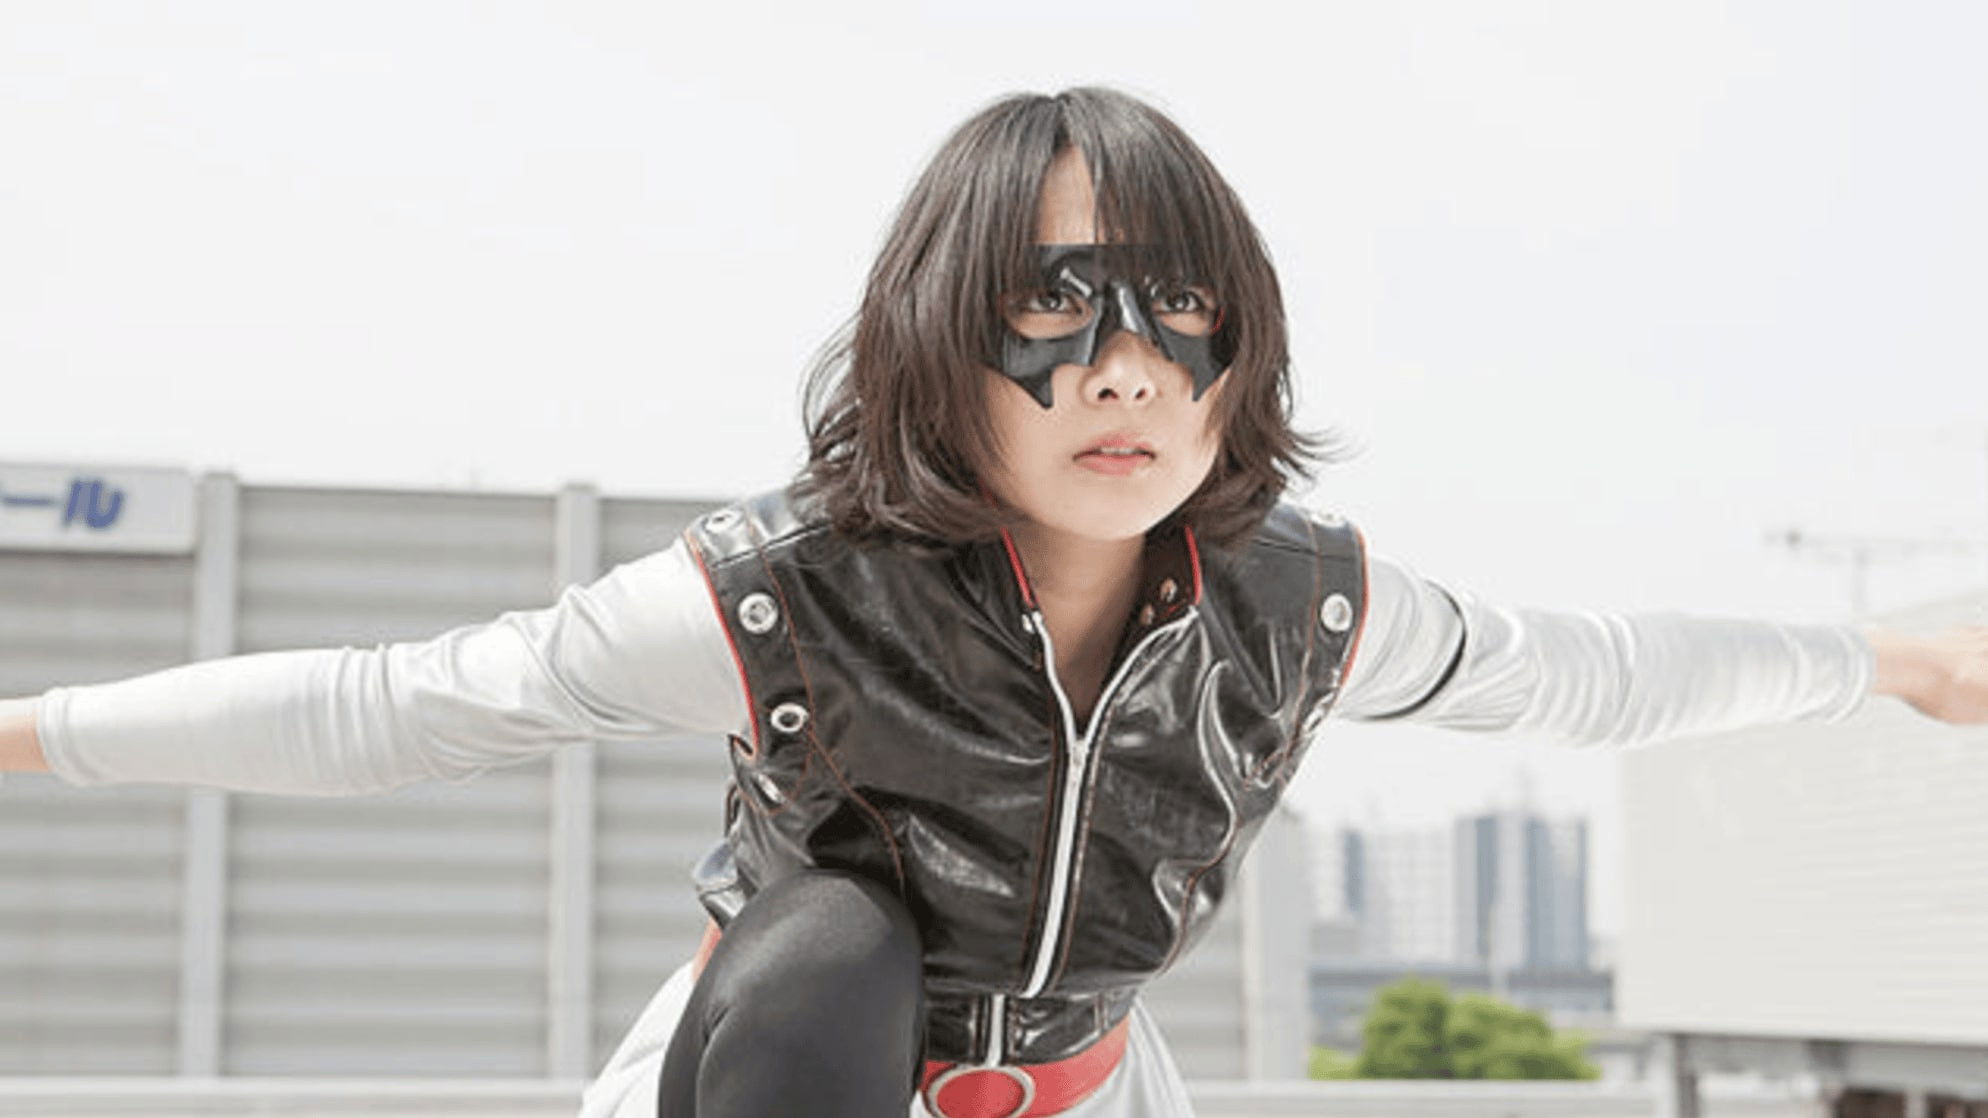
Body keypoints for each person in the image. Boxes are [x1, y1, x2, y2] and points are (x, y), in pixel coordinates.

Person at [2, 86, 1985, 1118]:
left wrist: (1893, 664)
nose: (1123, 368)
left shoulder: (1298, 610)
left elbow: (1597, 677)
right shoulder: (782, 597)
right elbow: (394, 702)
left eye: (1175, 308)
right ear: (937, 345)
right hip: (786, 1079)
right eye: (1053, 305)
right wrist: (31, 732)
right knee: (821, 960)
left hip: (1083, 1085)